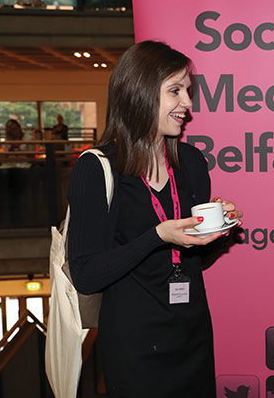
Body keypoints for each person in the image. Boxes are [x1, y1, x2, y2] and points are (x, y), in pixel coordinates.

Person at [67, 40, 243, 397]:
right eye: (175, 91)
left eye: (188, 91)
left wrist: (216, 231)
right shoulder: (97, 168)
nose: (188, 103)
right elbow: (85, 275)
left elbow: (195, 259)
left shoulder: (192, 162)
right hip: (134, 347)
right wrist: (157, 236)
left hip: (192, 336)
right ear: (140, 93)